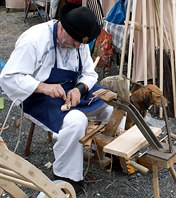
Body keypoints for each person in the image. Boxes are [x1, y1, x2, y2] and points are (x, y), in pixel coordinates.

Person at [0, 3, 116, 194]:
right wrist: (43, 87)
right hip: (36, 96)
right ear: (62, 26)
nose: (78, 46)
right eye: (75, 41)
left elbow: (89, 73)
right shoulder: (34, 39)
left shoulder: (79, 39)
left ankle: (111, 155)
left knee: (110, 106)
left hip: (70, 88)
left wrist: (80, 89)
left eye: (82, 42)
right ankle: (67, 176)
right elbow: (9, 77)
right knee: (75, 121)